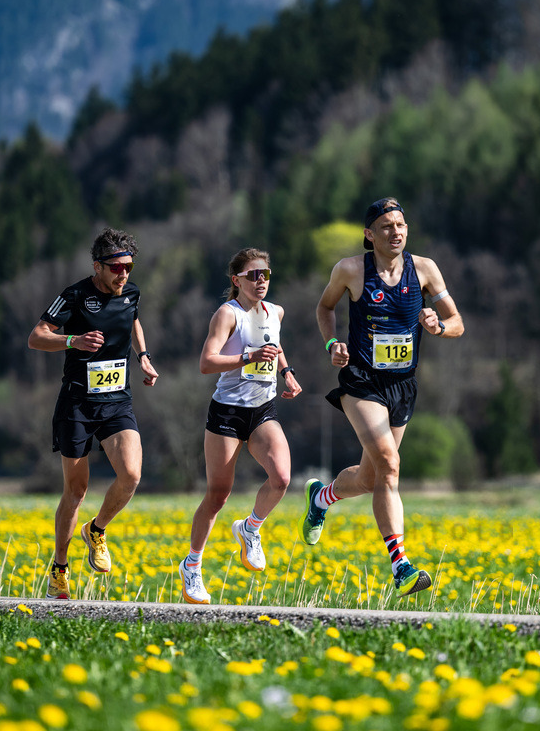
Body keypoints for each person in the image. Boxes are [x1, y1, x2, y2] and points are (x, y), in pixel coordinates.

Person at [302, 197, 464, 596]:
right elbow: (324, 308)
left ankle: (321, 498)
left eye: (401, 225)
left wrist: (438, 325)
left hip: (402, 386)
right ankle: (401, 566)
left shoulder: (424, 270)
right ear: (369, 234)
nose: (396, 232)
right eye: (387, 226)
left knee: (372, 477)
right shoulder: (351, 270)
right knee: (390, 464)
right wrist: (332, 344)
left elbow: (458, 322)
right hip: (361, 381)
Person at [28, 227, 159, 600]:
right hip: (77, 405)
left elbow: (132, 319)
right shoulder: (74, 296)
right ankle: (60, 566)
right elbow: (36, 336)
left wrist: (144, 357)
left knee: (131, 474)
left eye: (129, 267)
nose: (124, 275)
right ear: (97, 266)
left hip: (117, 400)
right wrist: (73, 340)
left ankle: (97, 530)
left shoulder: (131, 292)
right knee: (76, 490)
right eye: (116, 268)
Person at [179, 248, 302, 605]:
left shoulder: (275, 311)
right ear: (237, 281)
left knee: (281, 477)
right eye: (253, 275)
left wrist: (287, 373)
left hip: (262, 409)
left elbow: (275, 346)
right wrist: (247, 356)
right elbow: (207, 362)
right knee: (218, 495)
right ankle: (193, 564)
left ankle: (250, 528)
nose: (260, 281)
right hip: (227, 413)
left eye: (265, 274)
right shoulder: (227, 314)